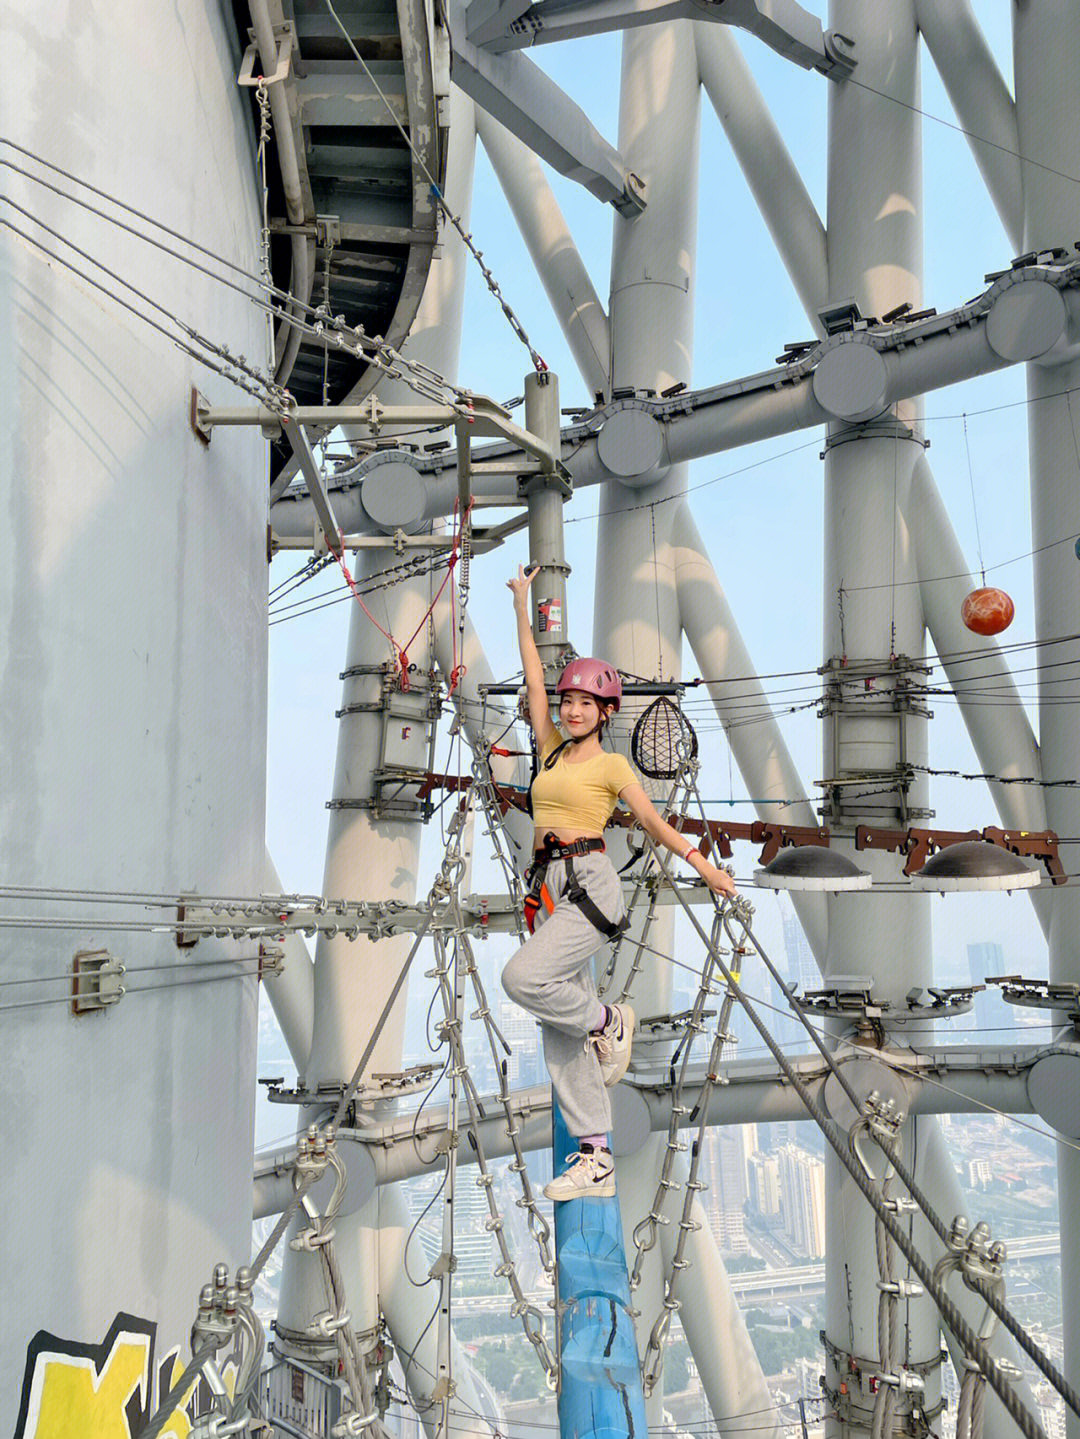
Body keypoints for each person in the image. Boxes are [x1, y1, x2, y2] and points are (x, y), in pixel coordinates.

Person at [503, 564, 737, 1201]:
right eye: (568, 700)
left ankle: (609, 1020)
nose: (572, 709)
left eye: (586, 703)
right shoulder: (548, 748)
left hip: (589, 882)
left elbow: (654, 823)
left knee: (521, 979)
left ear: (606, 712)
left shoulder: (610, 765)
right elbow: (531, 672)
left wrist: (705, 866)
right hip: (547, 884)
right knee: (559, 1030)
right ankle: (596, 1158)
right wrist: (522, 606)